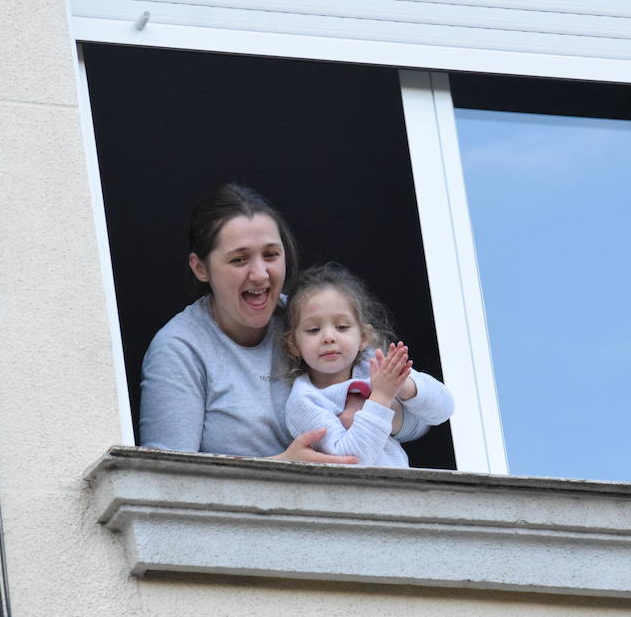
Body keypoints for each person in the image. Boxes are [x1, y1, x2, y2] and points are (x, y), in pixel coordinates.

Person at [142, 183, 436, 462]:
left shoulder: (311, 317)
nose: (260, 274)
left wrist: (372, 410)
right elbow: (165, 481)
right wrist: (282, 467)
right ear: (200, 268)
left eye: (271, 255)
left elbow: (419, 422)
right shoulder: (179, 348)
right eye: (239, 260)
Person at [282, 263, 454, 467]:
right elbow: (351, 460)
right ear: (294, 345)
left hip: (403, 491)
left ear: (363, 336)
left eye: (342, 327)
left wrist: (403, 386)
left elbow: (444, 410)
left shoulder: (374, 367)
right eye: (313, 329)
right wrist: (381, 396)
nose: (328, 337)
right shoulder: (305, 401)